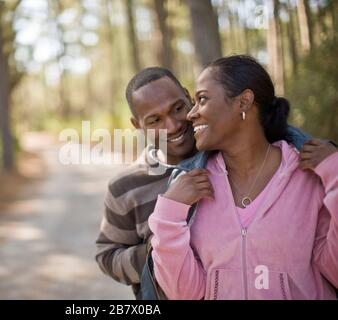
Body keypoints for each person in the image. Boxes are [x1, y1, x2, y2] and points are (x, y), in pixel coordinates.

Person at [148, 55, 338, 300]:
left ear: (244, 101)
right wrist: (168, 215)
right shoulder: (190, 187)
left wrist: (335, 174)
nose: (190, 114)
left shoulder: (309, 177)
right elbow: (184, 293)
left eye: (202, 99)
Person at [95, 67, 197, 299]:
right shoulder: (125, 187)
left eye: (178, 108)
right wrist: (155, 252)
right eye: (155, 120)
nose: (172, 126)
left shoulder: (226, 158)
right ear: (138, 126)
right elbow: (107, 256)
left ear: (189, 97)